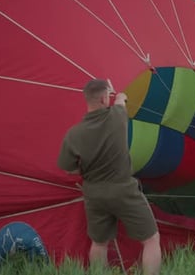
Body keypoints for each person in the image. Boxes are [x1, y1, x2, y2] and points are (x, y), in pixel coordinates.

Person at [57, 79, 161, 274]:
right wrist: (119, 95)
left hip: (94, 195)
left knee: (99, 243)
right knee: (151, 239)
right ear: (105, 99)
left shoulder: (73, 134)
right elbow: (121, 100)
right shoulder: (117, 116)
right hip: (124, 191)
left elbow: (69, 169)